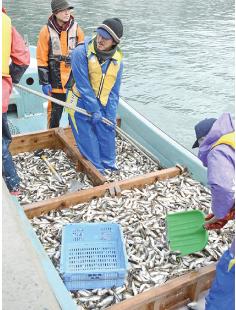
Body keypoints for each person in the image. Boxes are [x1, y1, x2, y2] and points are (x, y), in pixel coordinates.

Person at [67, 18, 124, 173]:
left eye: (105, 38)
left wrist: (110, 116)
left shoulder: (118, 61)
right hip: (78, 102)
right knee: (88, 140)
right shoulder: (80, 53)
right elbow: (83, 86)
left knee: (107, 132)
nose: (100, 40)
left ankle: (109, 166)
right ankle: (97, 171)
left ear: (114, 42)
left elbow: (113, 92)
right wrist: (94, 109)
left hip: (102, 102)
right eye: (98, 35)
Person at [192, 112, 235, 310]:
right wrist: (230, 212)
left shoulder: (218, 151)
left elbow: (223, 187)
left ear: (203, 140)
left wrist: (220, 213)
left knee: (230, 267)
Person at [36, 0, 84, 128]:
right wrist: (44, 82)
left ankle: (74, 139)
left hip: (72, 84)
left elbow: (83, 56)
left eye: (68, 9)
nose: (67, 12)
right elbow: (41, 58)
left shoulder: (77, 29)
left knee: (73, 115)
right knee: (54, 116)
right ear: (55, 12)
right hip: (55, 83)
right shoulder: (45, 31)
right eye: (63, 10)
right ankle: (52, 141)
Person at [2, 8, 30, 195]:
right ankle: (13, 186)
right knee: (3, 140)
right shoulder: (5, 22)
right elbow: (23, 59)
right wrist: (10, 80)